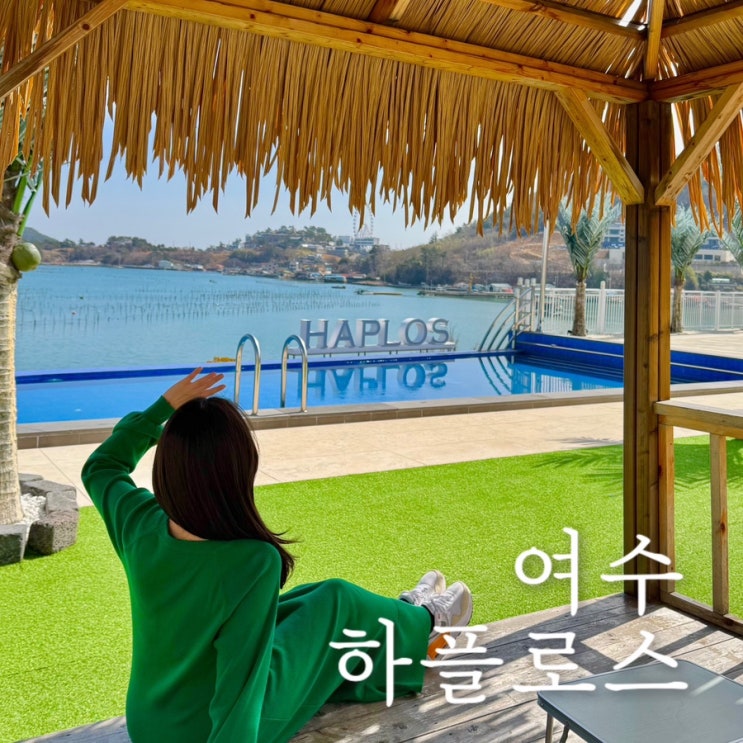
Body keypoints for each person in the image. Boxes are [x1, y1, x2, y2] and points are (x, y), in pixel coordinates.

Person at [82, 369, 473, 743]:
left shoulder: (138, 521)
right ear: (238, 471)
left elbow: (101, 467)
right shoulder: (251, 562)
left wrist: (161, 409)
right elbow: (240, 688)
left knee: (311, 601)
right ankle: (426, 624)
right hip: (208, 731)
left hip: (149, 723)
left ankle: (404, 616)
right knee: (339, 602)